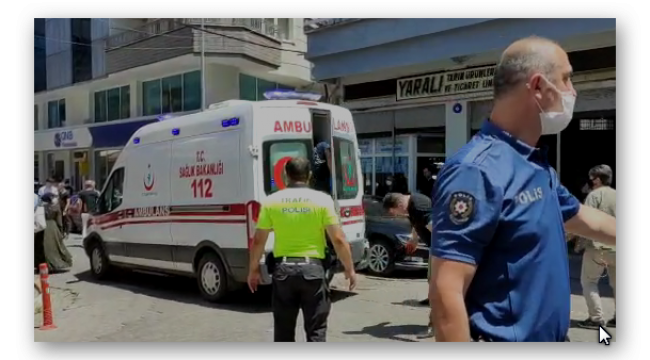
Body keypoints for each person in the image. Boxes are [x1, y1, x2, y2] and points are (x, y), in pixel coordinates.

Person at [429, 36, 617, 342]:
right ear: (539, 86)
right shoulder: (476, 172)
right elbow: (445, 292)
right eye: (567, 79)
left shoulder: (533, 164)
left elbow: (585, 218)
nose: (572, 91)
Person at [247, 157, 357, 342]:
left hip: (283, 272)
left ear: (285, 175)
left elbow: (258, 240)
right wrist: (350, 269)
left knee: (283, 331)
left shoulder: (272, 201)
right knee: (316, 331)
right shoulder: (322, 200)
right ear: (310, 176)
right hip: (313, 272)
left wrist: (253, 270)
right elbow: (338, 239)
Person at [383, 192, 434, 338]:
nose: (397, 216)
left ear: (399, 205)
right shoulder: (411, 204)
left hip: (440, 251)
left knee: (436, 288)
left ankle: (434, 326)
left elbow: (437, 228)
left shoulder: (418, 206)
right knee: (432, 284)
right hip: (436, 250)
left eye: (396, 213)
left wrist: (440, 254)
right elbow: (416, 222)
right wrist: (415, 238)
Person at [576, 165, 616, 329]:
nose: (590, 181)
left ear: (598, 179)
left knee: (589, 281)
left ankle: (596, 318)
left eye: (591, 178)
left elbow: (586, 221)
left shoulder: (594, 195)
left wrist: (579, 243)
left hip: (597, 247)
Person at [34, 193, 73, 272]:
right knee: (55, 247)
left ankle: (40, 265)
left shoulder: (39, 207)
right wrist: (61, 232)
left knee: (40, 247)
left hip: (41, 227)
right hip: (52, 227)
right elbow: (59, 221)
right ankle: (54, 264)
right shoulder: (55, 207)